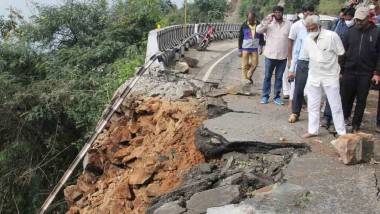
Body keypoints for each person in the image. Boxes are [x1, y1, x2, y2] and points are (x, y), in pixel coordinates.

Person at [299, 15, 347, 138]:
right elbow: (305, 57)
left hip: (330, 76)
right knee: (313, 105)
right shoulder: (307, 39)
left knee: (335, 105)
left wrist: (339, 71)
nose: (310, 31)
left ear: (319, 26)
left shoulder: (332, 36)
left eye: (312, 28)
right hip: (314, 76)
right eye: (308, 29)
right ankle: (312, 130)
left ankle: (342, 132)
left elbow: (341, 54)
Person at [341, 7, 380, 132]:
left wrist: (377, 73)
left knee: (361, 100)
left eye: (361, 20)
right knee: (346, 98)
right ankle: (344, 120)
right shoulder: (350, 31)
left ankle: (356, 124)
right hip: (349, 71)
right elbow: (343, 52)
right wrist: (340, 70)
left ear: (368, 19)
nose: (358, 22)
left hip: (366, 72)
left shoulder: (376, 32)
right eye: (356, 20)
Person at [322, 7, 356, 128]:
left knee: (346, 94)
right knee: (332, 90)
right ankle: (327, 117)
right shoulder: (337, 25)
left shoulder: (356, 29)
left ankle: (343, 117)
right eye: (342, 17)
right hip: (335, 63)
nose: (344, 20)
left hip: (349, 66)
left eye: (347, 18)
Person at [257, 6, 292, 105]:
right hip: (270, 55)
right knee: (267, 76)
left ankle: (277, 97)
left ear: (282, 13)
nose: (278, 14)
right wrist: (267, 20)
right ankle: (265, 96)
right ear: (273, 13)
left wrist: (290, 56)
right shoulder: (269, 23)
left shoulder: (289, 24)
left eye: (279, 12)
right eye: (275, 12)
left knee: (279, 77)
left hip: (283, 56)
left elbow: (292, 38)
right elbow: (258, 30)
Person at [287, 4, 315, 123]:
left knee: (315, 90)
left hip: (316, 64)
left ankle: (314, 116)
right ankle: (295, 112)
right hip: (303, 63)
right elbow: (296, 51)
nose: (309, 29)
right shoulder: (300, 31)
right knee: (298, 89)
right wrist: (292, 68)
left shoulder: (324, 34)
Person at [238, 10, 265, 83]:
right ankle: (245, 79)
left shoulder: (259, 25)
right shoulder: (243, 25)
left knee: (255, 64)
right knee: (245, 64)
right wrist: (240, 50)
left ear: (254, 18)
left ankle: (249, 74)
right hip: (245, 48)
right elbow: (240, 38)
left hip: (254, 48)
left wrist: (261, 46)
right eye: (249, 19)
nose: (250, 20)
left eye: (252, 19)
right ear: (247, 18)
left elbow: (262, 36)